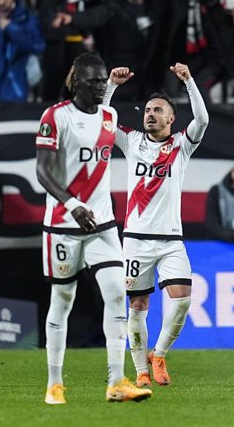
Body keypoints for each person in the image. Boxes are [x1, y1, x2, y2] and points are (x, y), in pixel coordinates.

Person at [35, 52, 152, 404]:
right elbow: (43, 171)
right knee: (63, 299)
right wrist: (71, 204)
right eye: (95, 81)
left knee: (117, 292)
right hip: (63, 224)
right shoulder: (56, 117)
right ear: (77, 83)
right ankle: (54, 383)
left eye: (104, 80)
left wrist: (113, 87)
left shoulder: (109, 115)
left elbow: (102, 117)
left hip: (102, 224)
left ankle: (117, 381)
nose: (101, 85)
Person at [103, 62, 208, 388]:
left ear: (171, 118)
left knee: (182, 299)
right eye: (148, 110)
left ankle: (159, 353)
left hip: (171, 239)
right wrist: (110, 86)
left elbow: (202, 120)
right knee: (137, 306)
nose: (150, 114)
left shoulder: (181, 145)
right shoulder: (132, 141)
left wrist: (189, 81)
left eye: (158, 110)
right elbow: (102, 124)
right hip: (135, 238)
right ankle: (142, 371)